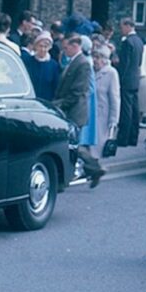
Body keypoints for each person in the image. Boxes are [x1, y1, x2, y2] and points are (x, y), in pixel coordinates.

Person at [53, 34, 105, 188]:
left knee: (74, 146)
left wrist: (58, 105)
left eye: (67, 47)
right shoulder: (75, 61)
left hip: (75, 111)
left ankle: (94, 169)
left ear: (76, 46)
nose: (64, 50)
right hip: (72, 110)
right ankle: (92, 170)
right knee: (74, 145)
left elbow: (77, 92)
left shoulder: (82, 63)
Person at [115, 16, 144, 147]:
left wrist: (120, 79)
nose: (121, 30)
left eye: (122, 27)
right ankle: (133, 137)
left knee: (126, 111)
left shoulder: (127, 42)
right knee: (134, 109)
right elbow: (139, 62)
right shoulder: (139, 41)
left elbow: (124, 64)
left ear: (127, 26)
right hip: (135, 78)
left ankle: (123, 138)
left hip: (126, 79)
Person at [91, 43, 121, 159]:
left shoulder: (111, 73)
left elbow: (115, 99)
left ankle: (96, 171)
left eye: (98, 57)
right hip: (90, 115)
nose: (95, 60)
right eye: (94, 56)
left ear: (104, 59)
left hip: (102, 117)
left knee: (97, 150)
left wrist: (113, 121)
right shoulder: (91, 71)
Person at [25, 31, 60, 100]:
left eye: (46, 47)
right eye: (40, 46)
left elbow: (56, 86)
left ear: (49, 48)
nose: (43, 49)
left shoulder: (53, 65)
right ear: (36, 46)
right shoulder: (28, 61)